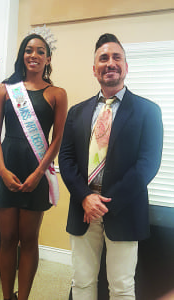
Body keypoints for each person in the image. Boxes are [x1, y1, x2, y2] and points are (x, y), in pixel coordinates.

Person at [58, 33, 163, 300]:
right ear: (94, 69)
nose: (110, 63)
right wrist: (85, 197)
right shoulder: (76, 112)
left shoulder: (148, 111)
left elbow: (147, 165)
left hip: (124, 208)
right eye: (103, 58)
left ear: (126, 67)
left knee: (121, 286)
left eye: (117, 57)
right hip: (83, 208)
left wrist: (106, 203)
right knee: (81, 282)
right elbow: (66, 161)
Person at [0, 28, 67, 300]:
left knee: (28, 240)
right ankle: (7, 297)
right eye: (29, 50)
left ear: (48, 59)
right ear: (22, 55)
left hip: (35, 172)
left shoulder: (57, 94)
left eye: (41, 51)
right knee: (6, 238)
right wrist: (2, 170)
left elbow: (58, 138)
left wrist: (40, 173)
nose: (34, 55)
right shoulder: (5, 89)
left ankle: (23, 297)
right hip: (5, 168)